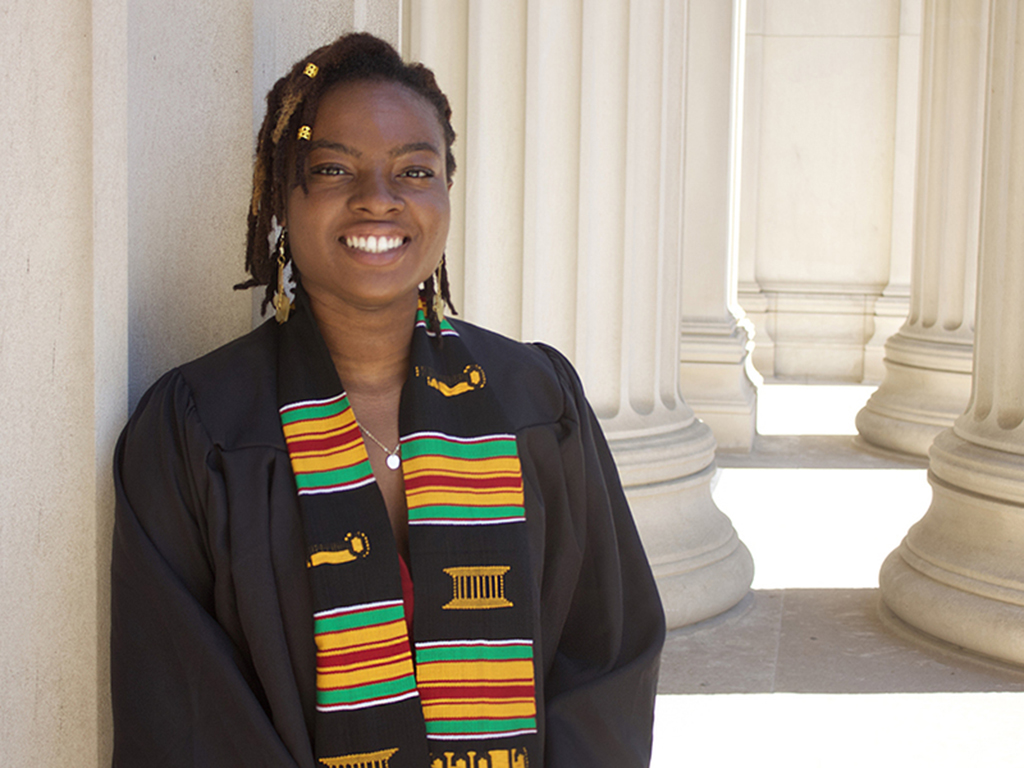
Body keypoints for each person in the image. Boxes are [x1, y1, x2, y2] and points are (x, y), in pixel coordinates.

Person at [111, 32, 664, 768]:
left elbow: (605, 657)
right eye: (334, 168)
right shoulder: (199, 428)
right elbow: (185, 708)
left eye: (414, 170)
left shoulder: (536, 402)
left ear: (444, 194)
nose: (378, 198)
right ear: (281, 195)